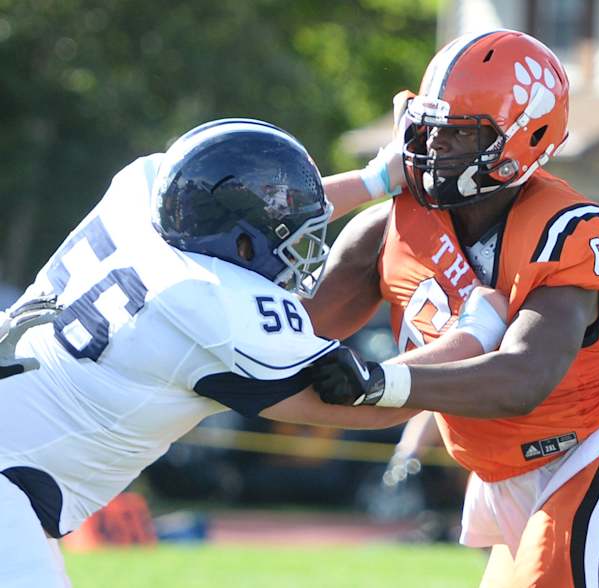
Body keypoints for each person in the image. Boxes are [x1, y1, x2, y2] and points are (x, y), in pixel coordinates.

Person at [307, 30, 599, 587]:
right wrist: (364, 183)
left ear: (525, 139)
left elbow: (522, 377)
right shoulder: (390, 229)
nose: (432, 150)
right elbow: (294, 330)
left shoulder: (567, 230)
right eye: (428, 129)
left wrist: (383, 381)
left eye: (457, 135)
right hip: (503, 471)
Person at [1, 118, 444, 587]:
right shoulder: (207, 305)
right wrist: (480, 334)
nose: (301, 247)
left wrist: (375, 179)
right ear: (242, 244)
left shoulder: (144, 192)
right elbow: (370, 408)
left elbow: (252, 217)